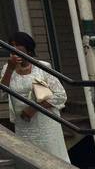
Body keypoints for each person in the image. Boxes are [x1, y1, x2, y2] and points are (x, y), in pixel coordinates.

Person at [1, 32, 70, 161]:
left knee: (51, 156)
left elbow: (60, 95)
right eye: (11, 46)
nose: (14, 49)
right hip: (23, 124)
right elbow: (2, 93)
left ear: (28, 49)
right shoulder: (7, 68)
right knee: (29, 157)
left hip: (45, 121)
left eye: (18, 45)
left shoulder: (42, 67)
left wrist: (33, 109)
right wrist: (10, 68)